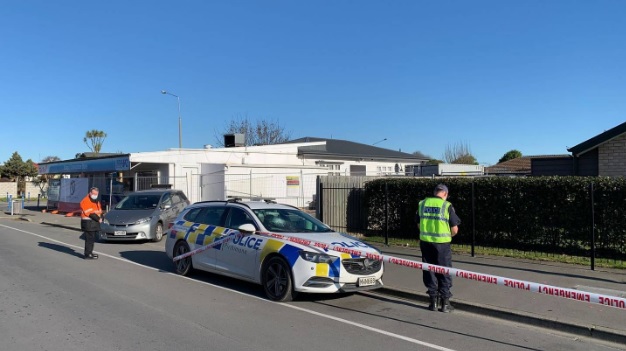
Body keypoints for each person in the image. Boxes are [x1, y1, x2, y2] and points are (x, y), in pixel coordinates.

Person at [417, 184, 461, 312]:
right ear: (445, 194)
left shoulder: (423, 203)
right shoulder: (446, 206)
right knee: (444, 271)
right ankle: (445, 304)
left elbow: (418, 224)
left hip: (425, 242)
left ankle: (433, 303)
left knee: (429, 270)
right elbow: (455, 229)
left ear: (435, 192)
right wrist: (449, 235)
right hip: (442, 244)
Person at [80, 187, 103, 260]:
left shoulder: (96, 201)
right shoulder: (86, 201)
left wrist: (102, 217)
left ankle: (90, 252)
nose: (95, 195)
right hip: (88, 222)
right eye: (93, 193)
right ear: (90, 193)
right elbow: (89, 213)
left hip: (93, 223)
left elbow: (99, 211)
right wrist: (98, 219)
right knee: (89, 239)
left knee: (92, 239)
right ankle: (87, 254)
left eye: (96, 194)